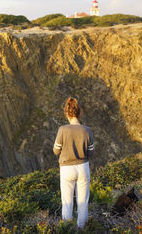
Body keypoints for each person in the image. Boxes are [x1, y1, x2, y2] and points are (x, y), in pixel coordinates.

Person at [53, 97, 94, 229]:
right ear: (79, 112)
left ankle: (67, 229)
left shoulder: (62, 130)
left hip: (66, 168)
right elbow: (91, 152)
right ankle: (82, 229)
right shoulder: (87, 130)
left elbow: (56, 150)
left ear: (66, 113)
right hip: (83, 167)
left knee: (67, 202)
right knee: (83, 202)